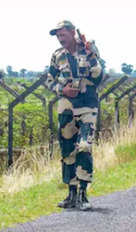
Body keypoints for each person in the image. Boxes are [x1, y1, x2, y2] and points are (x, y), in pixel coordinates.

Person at [45, 20, 104, 210]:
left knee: (84, 147)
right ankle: (71, 193)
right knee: (67, 150)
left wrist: (90, 53)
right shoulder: (57, 56)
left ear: (72, 33)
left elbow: (98, 75)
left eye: (63, 35)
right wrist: (62, 90)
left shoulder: (88, 50)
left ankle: (83, 193)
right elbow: (48, 80)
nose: (61, 39)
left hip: (87, 106)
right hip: (66, 108)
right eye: (58, 36)